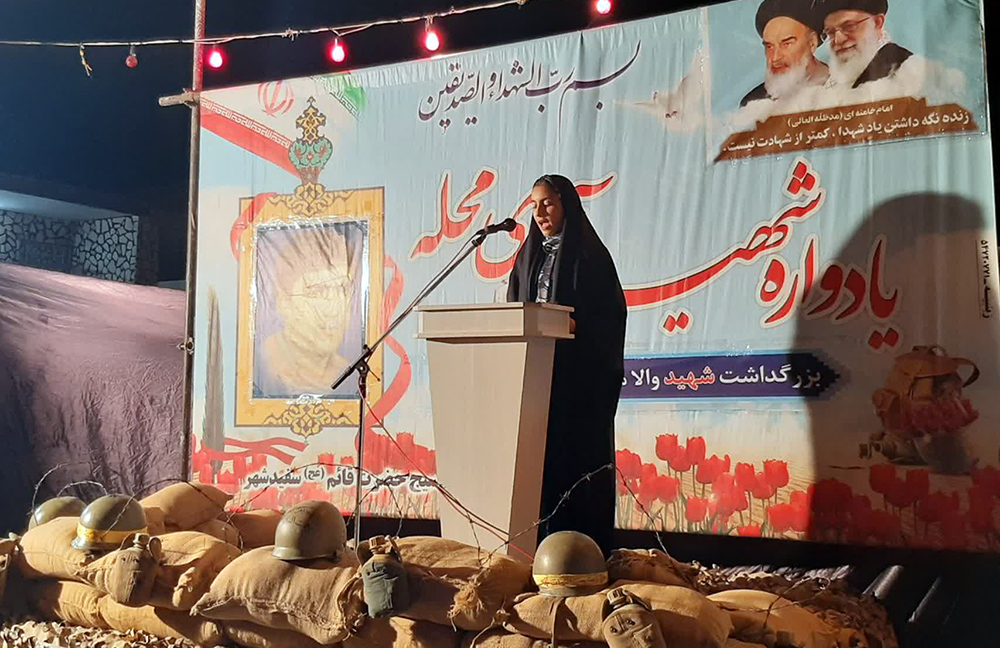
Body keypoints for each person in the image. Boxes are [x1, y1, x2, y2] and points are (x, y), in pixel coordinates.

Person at [507, 174, 627, 556]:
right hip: (537, 382)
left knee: (576, 471)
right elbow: (515, 314)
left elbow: (610, 319)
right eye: (534, 205)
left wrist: (576, 327)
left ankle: (582, 555)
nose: (540, 213)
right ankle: (537, 551)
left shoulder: (590, 257)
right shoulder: (527, 258)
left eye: (548, 203)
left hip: (578, 386)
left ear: (566, 206)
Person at [741, 0, 829, 107]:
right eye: (769, 47)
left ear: (812, 43)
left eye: (786, 44)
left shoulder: (844, 86)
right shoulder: (753, 103)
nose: (775, 58)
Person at [821, 0, 912, 89]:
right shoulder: (837, 75)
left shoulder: (904, 70)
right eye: (830, 32)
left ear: (877, 23)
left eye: (849, 26)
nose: (838, 40)